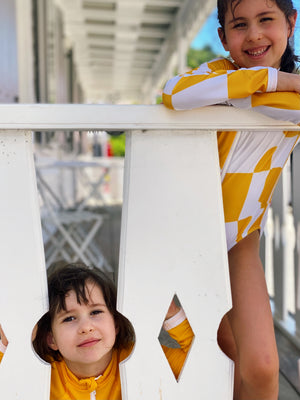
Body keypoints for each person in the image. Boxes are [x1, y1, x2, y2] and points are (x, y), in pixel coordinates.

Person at [162, 0, 300, 399]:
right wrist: (279, 83)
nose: (254, 34)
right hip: (184, 239)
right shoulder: (218, 74)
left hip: (239, 241)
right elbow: (174, 94)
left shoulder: (228, 87)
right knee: (218, 358)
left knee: (259, 366)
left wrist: (250, 93)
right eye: (240, 24)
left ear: (291, 23)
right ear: (222, 37)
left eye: (266, 20)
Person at [0, 263, 193, 400]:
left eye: (96, 312)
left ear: (116, 324)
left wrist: (172, 315)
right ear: (51, 338)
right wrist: (14, 342)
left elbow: (199, 361)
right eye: (69, 318)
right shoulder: (41, 373)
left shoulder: (141, 357)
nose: (86, 327)